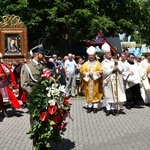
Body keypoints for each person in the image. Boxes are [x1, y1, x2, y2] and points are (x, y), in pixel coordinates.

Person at [101, 43, 126, 116]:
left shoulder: (115, 60)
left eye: (110, 52)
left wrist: (117, 65)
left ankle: (114, 108)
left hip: (116, 80)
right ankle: (108, 109)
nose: (109, 54)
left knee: (115, 95)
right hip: (108, 81)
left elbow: (122, 69)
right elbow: (104, 72)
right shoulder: (103, 63)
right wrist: (112, 69)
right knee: (108, 95)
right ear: (105, 54)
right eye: (107, 53)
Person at [80, 46, 103, 113]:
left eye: (92, 55)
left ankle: (95, 107)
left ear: (94, 56)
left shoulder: (98, 63)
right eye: (90, 56)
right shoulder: (85, 64)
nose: (91, 57)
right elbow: (82, 71)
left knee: (96, 93)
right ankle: (89, 107)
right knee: (89, 93)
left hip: (96, 82)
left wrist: (94, 74)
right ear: (88, 56)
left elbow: (100, 71)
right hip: (88, 81)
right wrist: (87, 74)